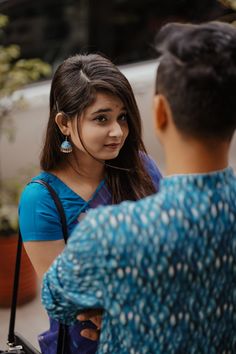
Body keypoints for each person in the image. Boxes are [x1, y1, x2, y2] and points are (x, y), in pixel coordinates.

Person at [41, 21, 236, 353]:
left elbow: (57, 297)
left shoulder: (111, 232)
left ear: (159, 112)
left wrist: (124, 305)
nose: (116, 131)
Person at [18, 53, 162, 353]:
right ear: (64, 123)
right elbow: (66, 296)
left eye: (122, 117)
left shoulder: (141, 169)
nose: (118, 131)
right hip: (85, 344)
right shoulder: (41, 199)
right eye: (101, 118)